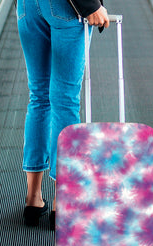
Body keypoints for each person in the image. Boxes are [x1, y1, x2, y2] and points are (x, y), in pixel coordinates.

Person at [16, 0, 109, 227]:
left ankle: (33, 198)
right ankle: (63, 202)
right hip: (66, 8)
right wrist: (90, 5)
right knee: (64, 101)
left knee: (38, 97)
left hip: (27, 7)